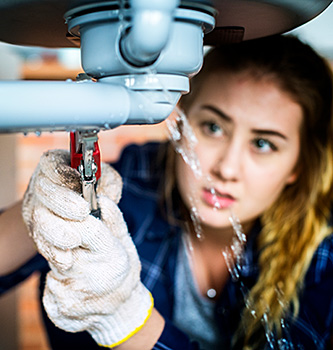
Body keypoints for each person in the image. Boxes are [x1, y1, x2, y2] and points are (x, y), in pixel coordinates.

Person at [0, 34, 333, 350]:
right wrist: (34, 212)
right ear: (181, 122)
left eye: (263, 144)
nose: (226, 169)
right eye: (213, 127)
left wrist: (126, 318)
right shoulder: (134, 180)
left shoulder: (320, 252)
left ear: (297, 167)